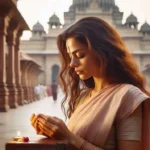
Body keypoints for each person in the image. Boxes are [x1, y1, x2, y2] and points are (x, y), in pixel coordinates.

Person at [30, 17, 150, 150]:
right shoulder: (83, 97)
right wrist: (53, 132)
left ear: (103, 51)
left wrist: (69, 137)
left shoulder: (128, 98)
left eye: (80, 55)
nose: (72, 64)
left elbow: (73, 140)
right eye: (70, 57)